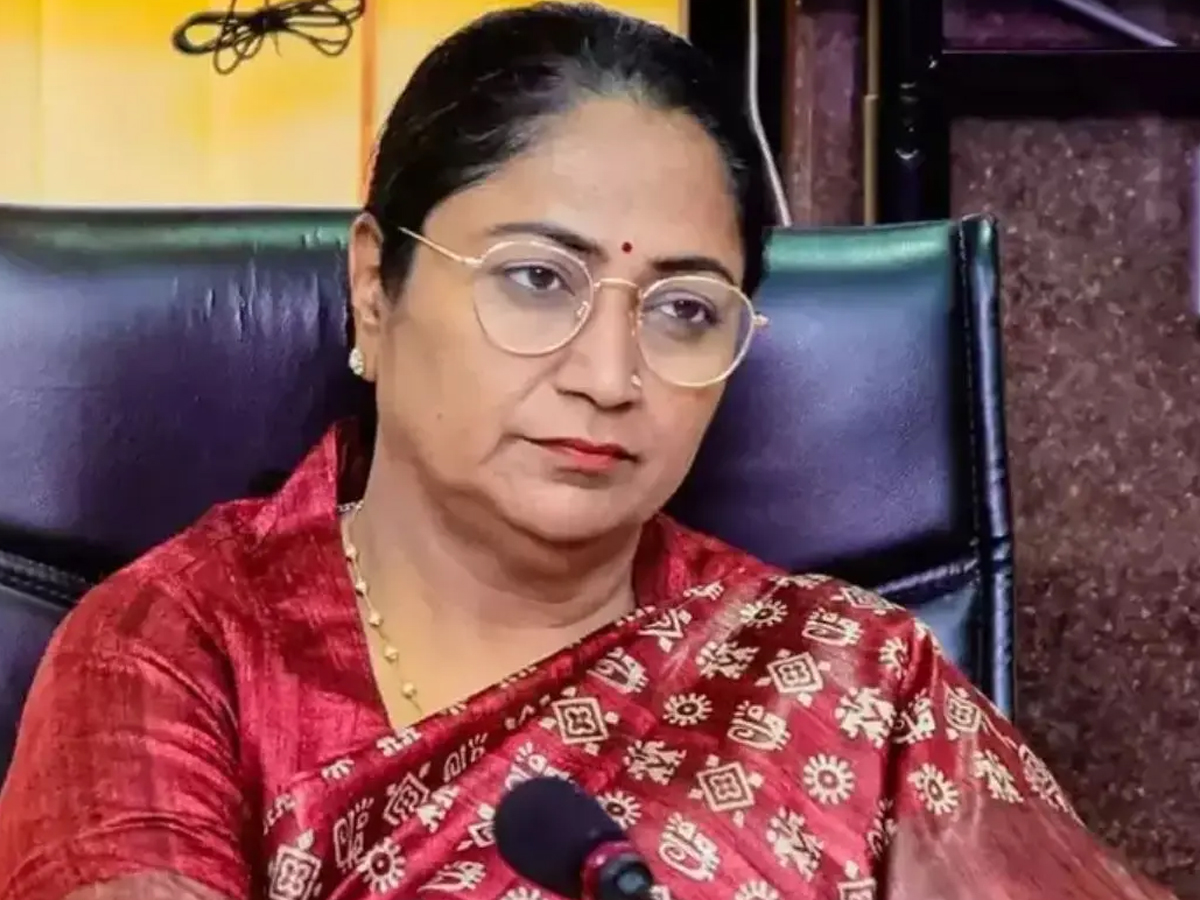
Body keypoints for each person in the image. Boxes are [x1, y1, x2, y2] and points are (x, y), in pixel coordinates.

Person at [0, 4, 1177, 900]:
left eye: (684, 309)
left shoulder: (851, 674)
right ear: (373, 286)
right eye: (535, 279)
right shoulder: (179, 655)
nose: (609, 376)